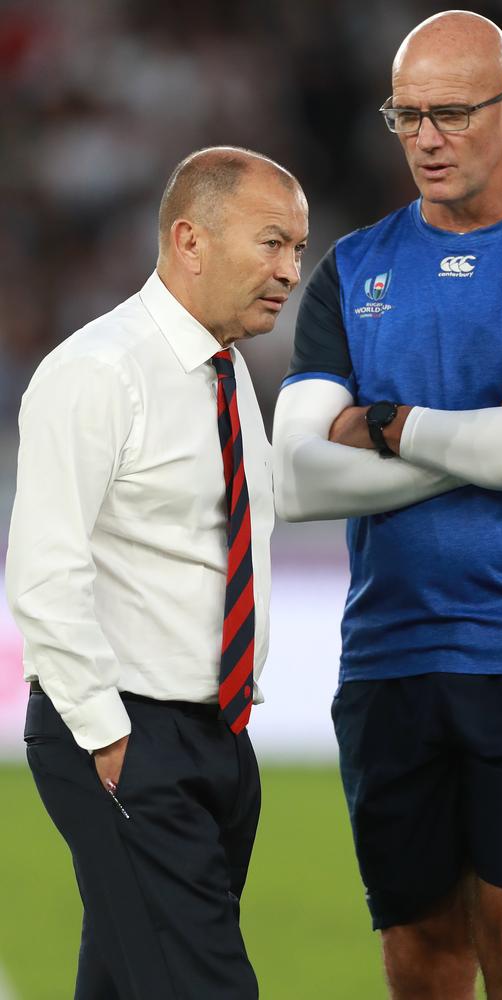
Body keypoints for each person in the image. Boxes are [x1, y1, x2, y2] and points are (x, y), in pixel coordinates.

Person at [272, 11, 502, 1000]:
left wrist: (385, 421)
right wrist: (488, 440)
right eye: (406, 117)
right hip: (391, 654)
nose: (425, 139)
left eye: (449, 114)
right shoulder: (353, 268)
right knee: (421, 966)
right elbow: (298, 475)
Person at [6, 146, 308, 1000]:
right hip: (128, 734)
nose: (291, 271)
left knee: (129, 977)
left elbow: (244, 524)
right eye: (273, 243)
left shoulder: (230, 375)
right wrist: (107, 735)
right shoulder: (98, 370)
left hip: (217, 737)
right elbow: (43, 569)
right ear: (190, 239)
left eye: (298, 247)